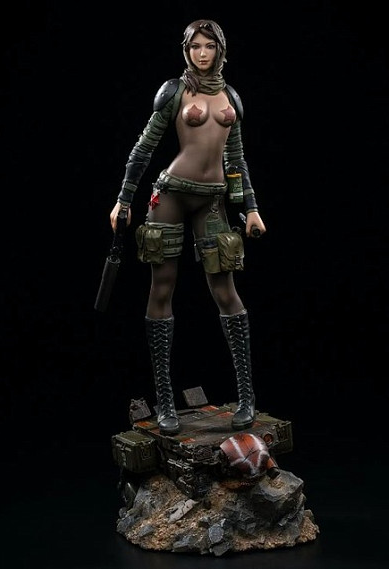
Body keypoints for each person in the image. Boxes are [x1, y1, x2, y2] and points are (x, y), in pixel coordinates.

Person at [109, 19, 266, 436]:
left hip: (213, 198)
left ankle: (247, 397)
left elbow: (236, 160)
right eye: (195, 46)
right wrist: (124, 199)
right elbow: (144, 147)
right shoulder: (175, 92)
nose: (202, 53)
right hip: (172, 194)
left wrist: (250, 208)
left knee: (226, 291)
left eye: (209, 46)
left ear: (220, 49)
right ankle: (165, 402)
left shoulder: (231, 97)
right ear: (186, 50)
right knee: (162, 287)